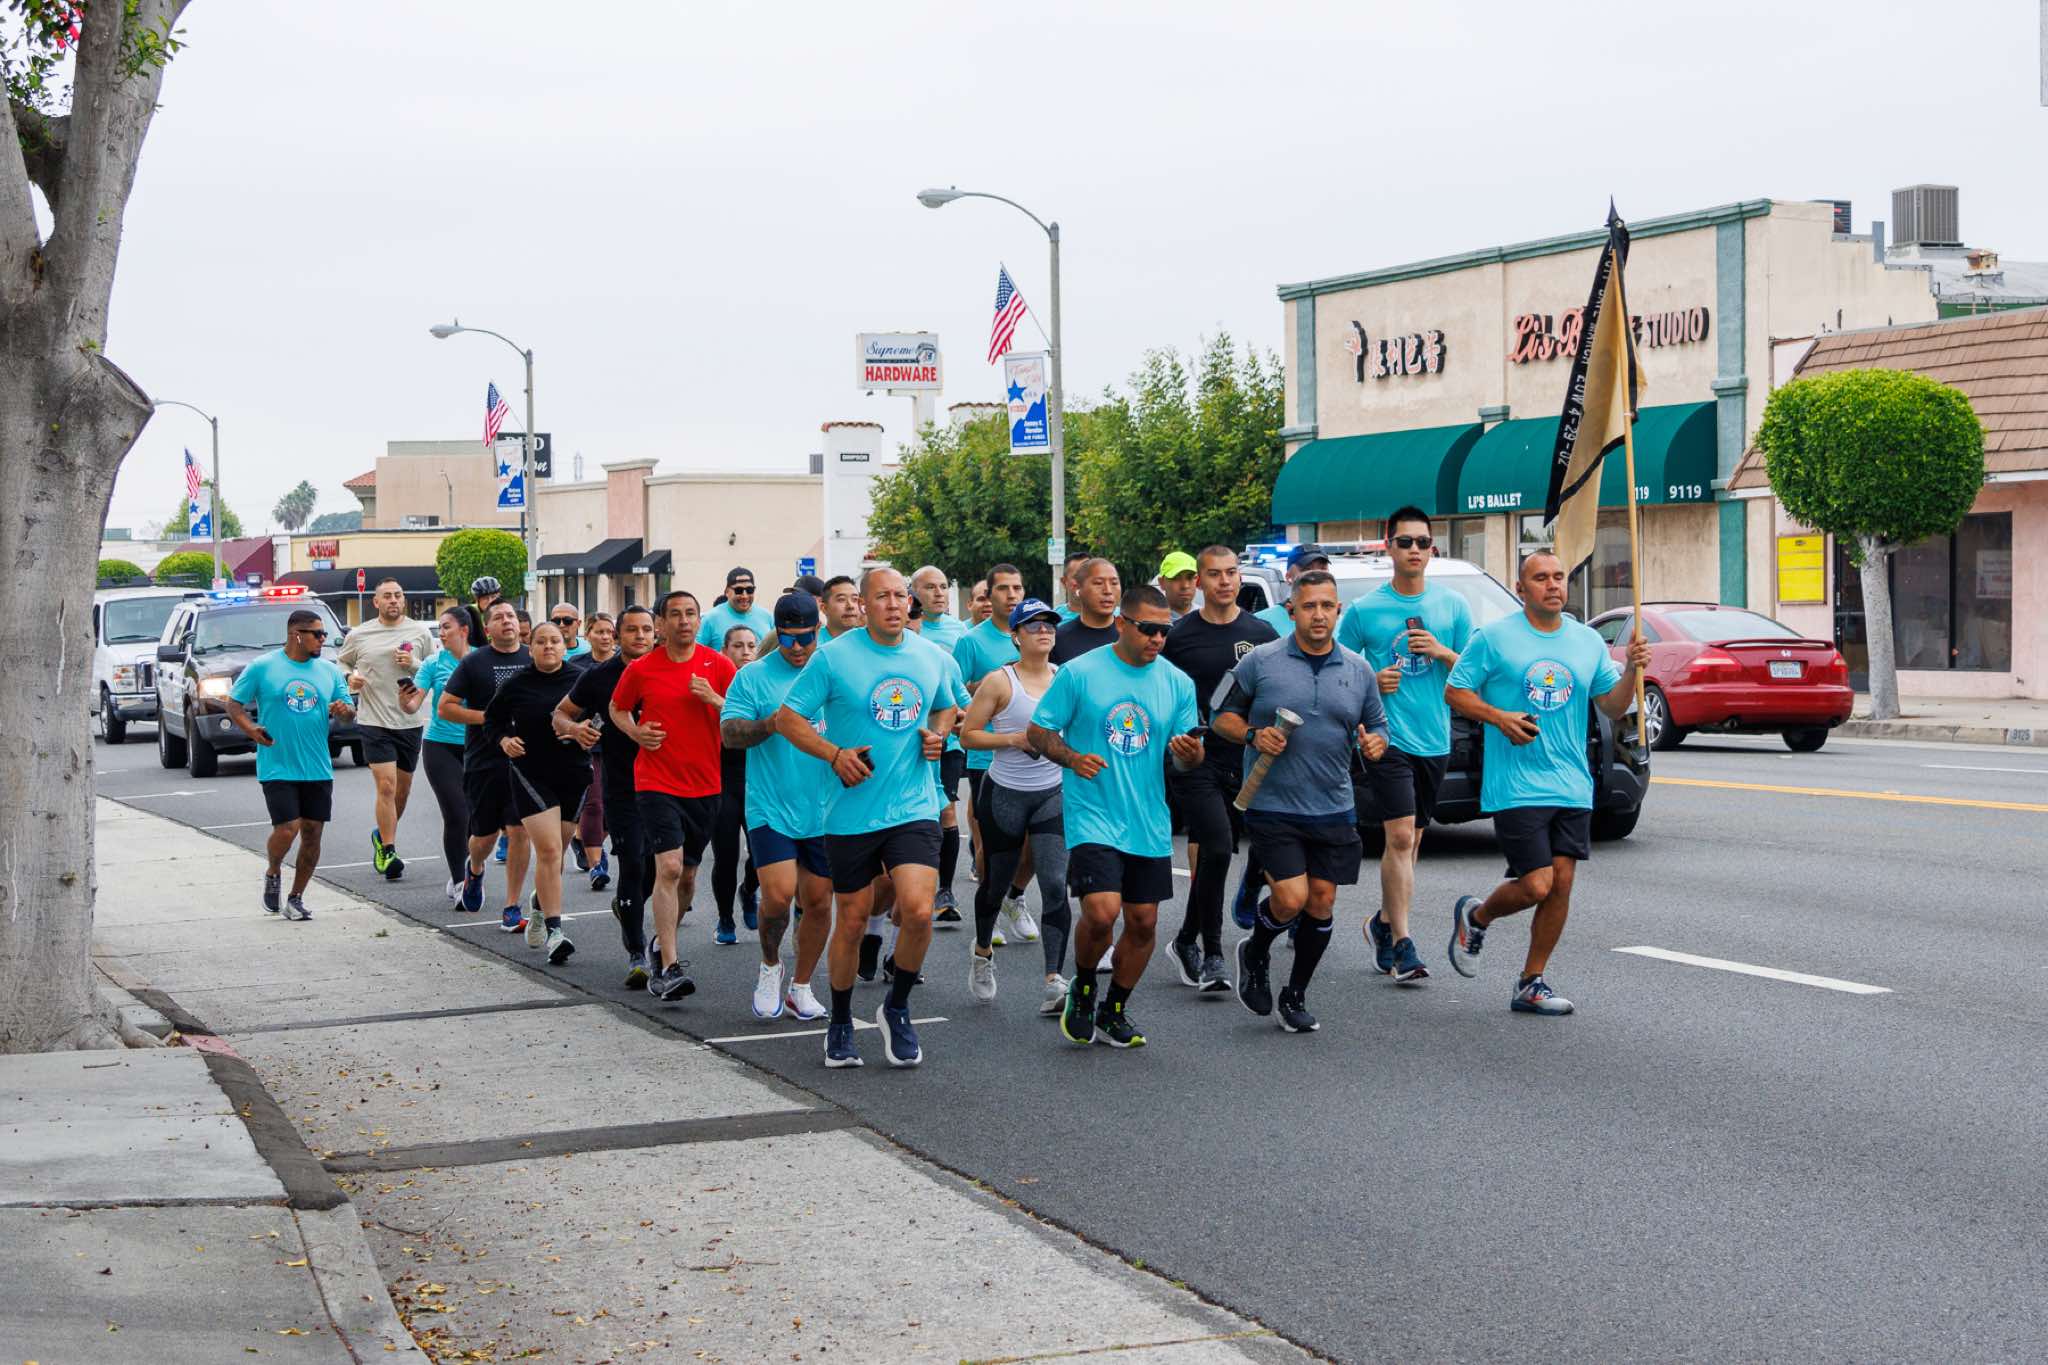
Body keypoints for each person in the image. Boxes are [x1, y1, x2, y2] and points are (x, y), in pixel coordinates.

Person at [1445, 551, 1650, 1015]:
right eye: (1541, 578)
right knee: (1536, 884)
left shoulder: (1586, 640)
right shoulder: (1493, 638)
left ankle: (1531, 982)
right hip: (1515, 781)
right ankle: (1477, 916)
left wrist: (1633, 670)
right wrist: (1499, 717)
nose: (1553, 584)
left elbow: (1613, 705)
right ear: (1521, 589)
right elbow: (1455, 691)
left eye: (1559, 577)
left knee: (1561, 885)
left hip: (1571, 780)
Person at [773, 567, 961, 1070]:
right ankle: (839, 1020)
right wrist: (834, 754)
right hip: (850, 810)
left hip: (913, 804)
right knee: (853, 921)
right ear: (862, 604)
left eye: (901, 596)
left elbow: (946, 708)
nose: (894, 605)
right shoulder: (833, 657)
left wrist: (937, 735)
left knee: (918, 910)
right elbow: (788, 719)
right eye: (883, 597)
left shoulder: (930, 656)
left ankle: (896, 1007)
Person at [1027, 585, 1201, 1050]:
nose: (1157, 639)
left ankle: (1114, 1008)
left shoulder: (1177, 683)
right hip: (1092, 812)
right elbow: (1039, 731)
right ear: (1122, 623)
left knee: (1143, 922)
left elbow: (1187, 756)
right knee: (1102, 913)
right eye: (1148, 629)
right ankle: (1084, 987)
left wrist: (1191, 755)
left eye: (1164, 631)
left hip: (1148, 818)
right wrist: (1071, 758)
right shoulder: (1080, 672)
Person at [1214, 570, 1389, 1033]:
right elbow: (1219, 716)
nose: (1318, 615)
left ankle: (1295, 994)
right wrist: (1253, 734)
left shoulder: (1359, 670)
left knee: (1322, 901)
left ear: (1338, 611)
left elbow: (1378, 724)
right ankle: (1256, 951)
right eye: (1309, 606)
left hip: (1333, 804)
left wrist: (1377, 743)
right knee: (1291, 898)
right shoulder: (1261, 661)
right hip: (1272, 802)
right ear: (1292, 610)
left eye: (1327, 606)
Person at [1337, 507, 1474, 984]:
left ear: (1431, 549)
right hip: (1385, 738)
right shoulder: (1365, 610)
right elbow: (1338, 671)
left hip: (1434, 738)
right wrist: (1373, 680)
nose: (1414, 550)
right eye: (1404, 542)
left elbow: (1475, 669)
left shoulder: (1453, 606)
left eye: (1422, 542)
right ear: (1388, 546)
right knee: (1398, 837)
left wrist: (1442, 652)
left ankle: (1381, 923)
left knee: (1413, 839)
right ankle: (1403, 945)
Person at [609, 590, 737, 1003]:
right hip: (656, 782)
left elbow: (740, 716)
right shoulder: (643, 668)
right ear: (661, 624)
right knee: (668, 867)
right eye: (675, 614)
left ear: (699, 620)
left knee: (687, 878)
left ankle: (660, 944)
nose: (684, 620)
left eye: (691, 614)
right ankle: (669, 967)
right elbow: (617, 708)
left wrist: (713, 698)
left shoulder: (718, 665)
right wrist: (635, 732)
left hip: (705, 785)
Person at [1161, 545, 1277, 994]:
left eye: (1231, 572)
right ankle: (1213, 954)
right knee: (1218, 845)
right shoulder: (1179, 636)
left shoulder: (1262, 633)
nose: (1225, 581)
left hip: (1245, 760)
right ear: (1199, 582)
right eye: (1214, 574)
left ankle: (1185, 939)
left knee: (1218, 854)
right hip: (1196, 758)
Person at [720, 592, 837, 1021]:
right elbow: (730, 734)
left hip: (826, 808)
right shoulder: (753, 676)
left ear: (818, 631)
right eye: (787, 639)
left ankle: (801, 986)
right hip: (771, 805)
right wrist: (771, 724)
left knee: (819, 902)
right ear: (777, 634)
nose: (797, 648)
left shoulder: (835, 669)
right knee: (777, 895)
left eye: (805, 638)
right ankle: (770, 966)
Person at [960, 598, 1070, 1013]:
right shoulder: (999, 681)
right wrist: (1013, 739)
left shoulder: (1064, 678)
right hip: (1005, 792)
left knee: (1055, 883)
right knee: (995, 883)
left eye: (1049, 625)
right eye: (1034, 625)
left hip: (1052, 792)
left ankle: (1054, 980)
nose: (1044, 631)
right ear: (1016, 636)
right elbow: (968, 735)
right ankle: (982, 952)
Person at [224, 610, 355, 920]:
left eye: (324, 634)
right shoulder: (263, 667)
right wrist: (251, 729)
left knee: (312, 833)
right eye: (317, 634)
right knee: (287, 829)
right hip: (277, 763)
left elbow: (349, 712)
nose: (323, 640)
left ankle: (296, 898)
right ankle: (273, 871)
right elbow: (233, 704)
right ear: (297, 635)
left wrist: (344, 711)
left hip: (317, 765)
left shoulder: (329, 670)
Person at [558, 604, 660, 987]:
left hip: (668, 784)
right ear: (617, 635)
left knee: (659, 870)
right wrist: (575, 729)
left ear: (655, 632)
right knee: (632, 864)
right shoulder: (600, 676)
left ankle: (627, 906)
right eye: (631, 629)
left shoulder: (670, 668)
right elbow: (560, 714)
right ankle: (636, 952)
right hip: (623, 785)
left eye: (646, 629)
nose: (640, 636)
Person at [484, 623, 595, 966]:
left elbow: (602, 717)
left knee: (557, 851)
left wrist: (586, 731)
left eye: (555, 641)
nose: (548, 646)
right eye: (541, 642)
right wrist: (504, 740)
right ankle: (555, 933)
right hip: (531, 772)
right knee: (548, 850)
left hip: (574, 773)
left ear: (566, 646)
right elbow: (492, 721)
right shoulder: (516, 683)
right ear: (529, 648)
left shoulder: (581, 680)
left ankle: (538, 904)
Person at [439, 601, 534, 932]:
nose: (507, 621)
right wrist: (488, 718)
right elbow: (446, 708)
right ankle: (475, 868)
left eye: (511, 616)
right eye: (499, 618)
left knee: (519, 831)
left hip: (525, 761)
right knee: (484, 836)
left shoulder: (534, 658)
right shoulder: (474, 662)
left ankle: (512, 907)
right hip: (485, 762)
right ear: (488, 628)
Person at [339, 578, 436, 881]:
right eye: (387, 596)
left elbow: (435, 669)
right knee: (386, 786)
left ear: (403, 600)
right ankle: (389, 850)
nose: (393, 600)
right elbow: (341, 664)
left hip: (409, 721)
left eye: (398, 595)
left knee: (402, 792)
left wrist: (414, 663)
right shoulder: (360, 634)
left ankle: (381, 835)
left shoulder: (420, 632)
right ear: (376, 602)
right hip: (373, 720)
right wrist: (349, 679)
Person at [953, 564, 1034, 927]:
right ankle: (990, 911)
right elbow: (954, 690)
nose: (1012, 594)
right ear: (989, 595)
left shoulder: (1034, 633)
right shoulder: (971, 641)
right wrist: (989, 687)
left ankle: (1015, 896)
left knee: (1032, 838)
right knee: (993, 843)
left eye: (1017, 587)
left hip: (1032, 754)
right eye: (1003, 588)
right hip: (987, 753)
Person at [910, 566, 970, 924]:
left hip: (944, 747)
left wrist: (955, 722)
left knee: (946, 811)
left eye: (943, 587)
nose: (912, 621)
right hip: (901, 749)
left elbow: (963, 703)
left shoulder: (946, 649)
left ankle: (944, 890)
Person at [411, 608, 474, 900]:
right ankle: (460, 881)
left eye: (447, 626)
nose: (442, 632)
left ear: (464, 630)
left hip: (478, 746)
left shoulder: (482, 659)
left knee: (478, 819)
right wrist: (406, 701)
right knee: (457, 813)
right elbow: (414, 704)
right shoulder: (433, 663)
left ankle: (471, 869)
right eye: (440, 627)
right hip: (440, 746)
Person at [709, 625, 762, 944]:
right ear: (725, 651)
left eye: (751, 646)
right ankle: (725, 918)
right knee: (726, 855)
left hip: (759, 777)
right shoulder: (713, 681)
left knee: (762, 853)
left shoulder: (762, 681)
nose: (746, 652)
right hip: (722, 777)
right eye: (738, 646)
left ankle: (749, 889)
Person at [575, 613, 617, 887]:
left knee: (613, 808)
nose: (604, 637)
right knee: (594, 802)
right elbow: (564, 707)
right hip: (588, 743)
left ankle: (584, 839)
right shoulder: (577, 666)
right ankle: (596, 865)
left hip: (621, 742)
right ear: (588, 634)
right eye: (599, 631)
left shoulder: (626, 663)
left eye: (609, 632)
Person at [1051, 557, 1121, 663]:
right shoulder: (1057, 640)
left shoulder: (1132, 636)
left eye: (1114, 583)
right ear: (1078, 589)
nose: (1108, 590)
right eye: (1098, 583)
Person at [1256, 543, 1331, 634]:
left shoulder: (1340, 622)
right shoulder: (1261, 622)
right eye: (1307, 569)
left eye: (1322, 569)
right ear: (1288, 577)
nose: (1316, 575)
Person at [700, 567, 772, 648]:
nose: (744, 596)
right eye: (738, 590)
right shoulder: (710, 619)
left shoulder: (768, 617)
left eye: (749, 590)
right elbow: (695, 650)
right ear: (727, 592)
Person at [1158, 551, 1199, 621]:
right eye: (1176, 578)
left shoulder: (1209, 618)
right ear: (1162, 582)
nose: (1185, 586)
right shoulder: (1151, 620)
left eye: (1190, 578)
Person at [465, 576, 502, 649]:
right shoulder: (469, 613)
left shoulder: (505, 611)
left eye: (493, 596)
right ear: (477, 600)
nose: (490, 601)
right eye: (485, 598)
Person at [1056, 550, 1091, 621]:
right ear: (1064, 582)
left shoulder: (1113, 615)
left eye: (1088, 575)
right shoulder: (1053, 619)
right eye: (1077, 576)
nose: (1083, 581)